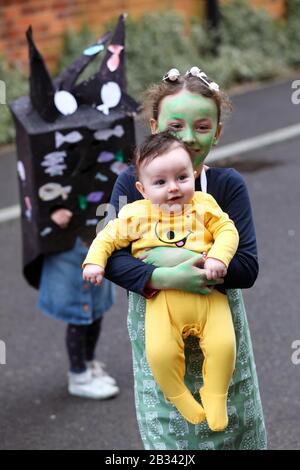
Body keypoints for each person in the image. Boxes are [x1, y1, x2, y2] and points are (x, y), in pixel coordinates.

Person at [103, 67, 267, 449]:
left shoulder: (227, 185)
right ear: (155, 125)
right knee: (171, 434)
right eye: (176, 127)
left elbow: (247, 266)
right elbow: (109, 255)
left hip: (219, 321)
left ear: (218, 133)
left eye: (203, 127)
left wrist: (191, 264)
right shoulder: (131, 184)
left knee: (233, 422)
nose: (189, 138)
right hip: (157, 316)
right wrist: (167, 277)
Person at [83, 132, 239, 430]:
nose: (173, 188)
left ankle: (215, 394)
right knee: (160, 353)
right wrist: (94, 262)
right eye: (160, 182)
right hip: (162, 301)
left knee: (224, 345)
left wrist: (219, 257)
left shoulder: (204, 204)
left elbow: (227, 231)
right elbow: (107, 238)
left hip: (208, 295)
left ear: (193, 174)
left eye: (181, 177)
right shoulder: (135, 214)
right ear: (142, 188)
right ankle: (179, 395)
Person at [38, 219, 119, 400]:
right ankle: (79, 376)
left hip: (93, 238)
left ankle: (89, 363)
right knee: (79, 318)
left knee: (96, 314)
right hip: (69, 245)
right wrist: (55, 209)